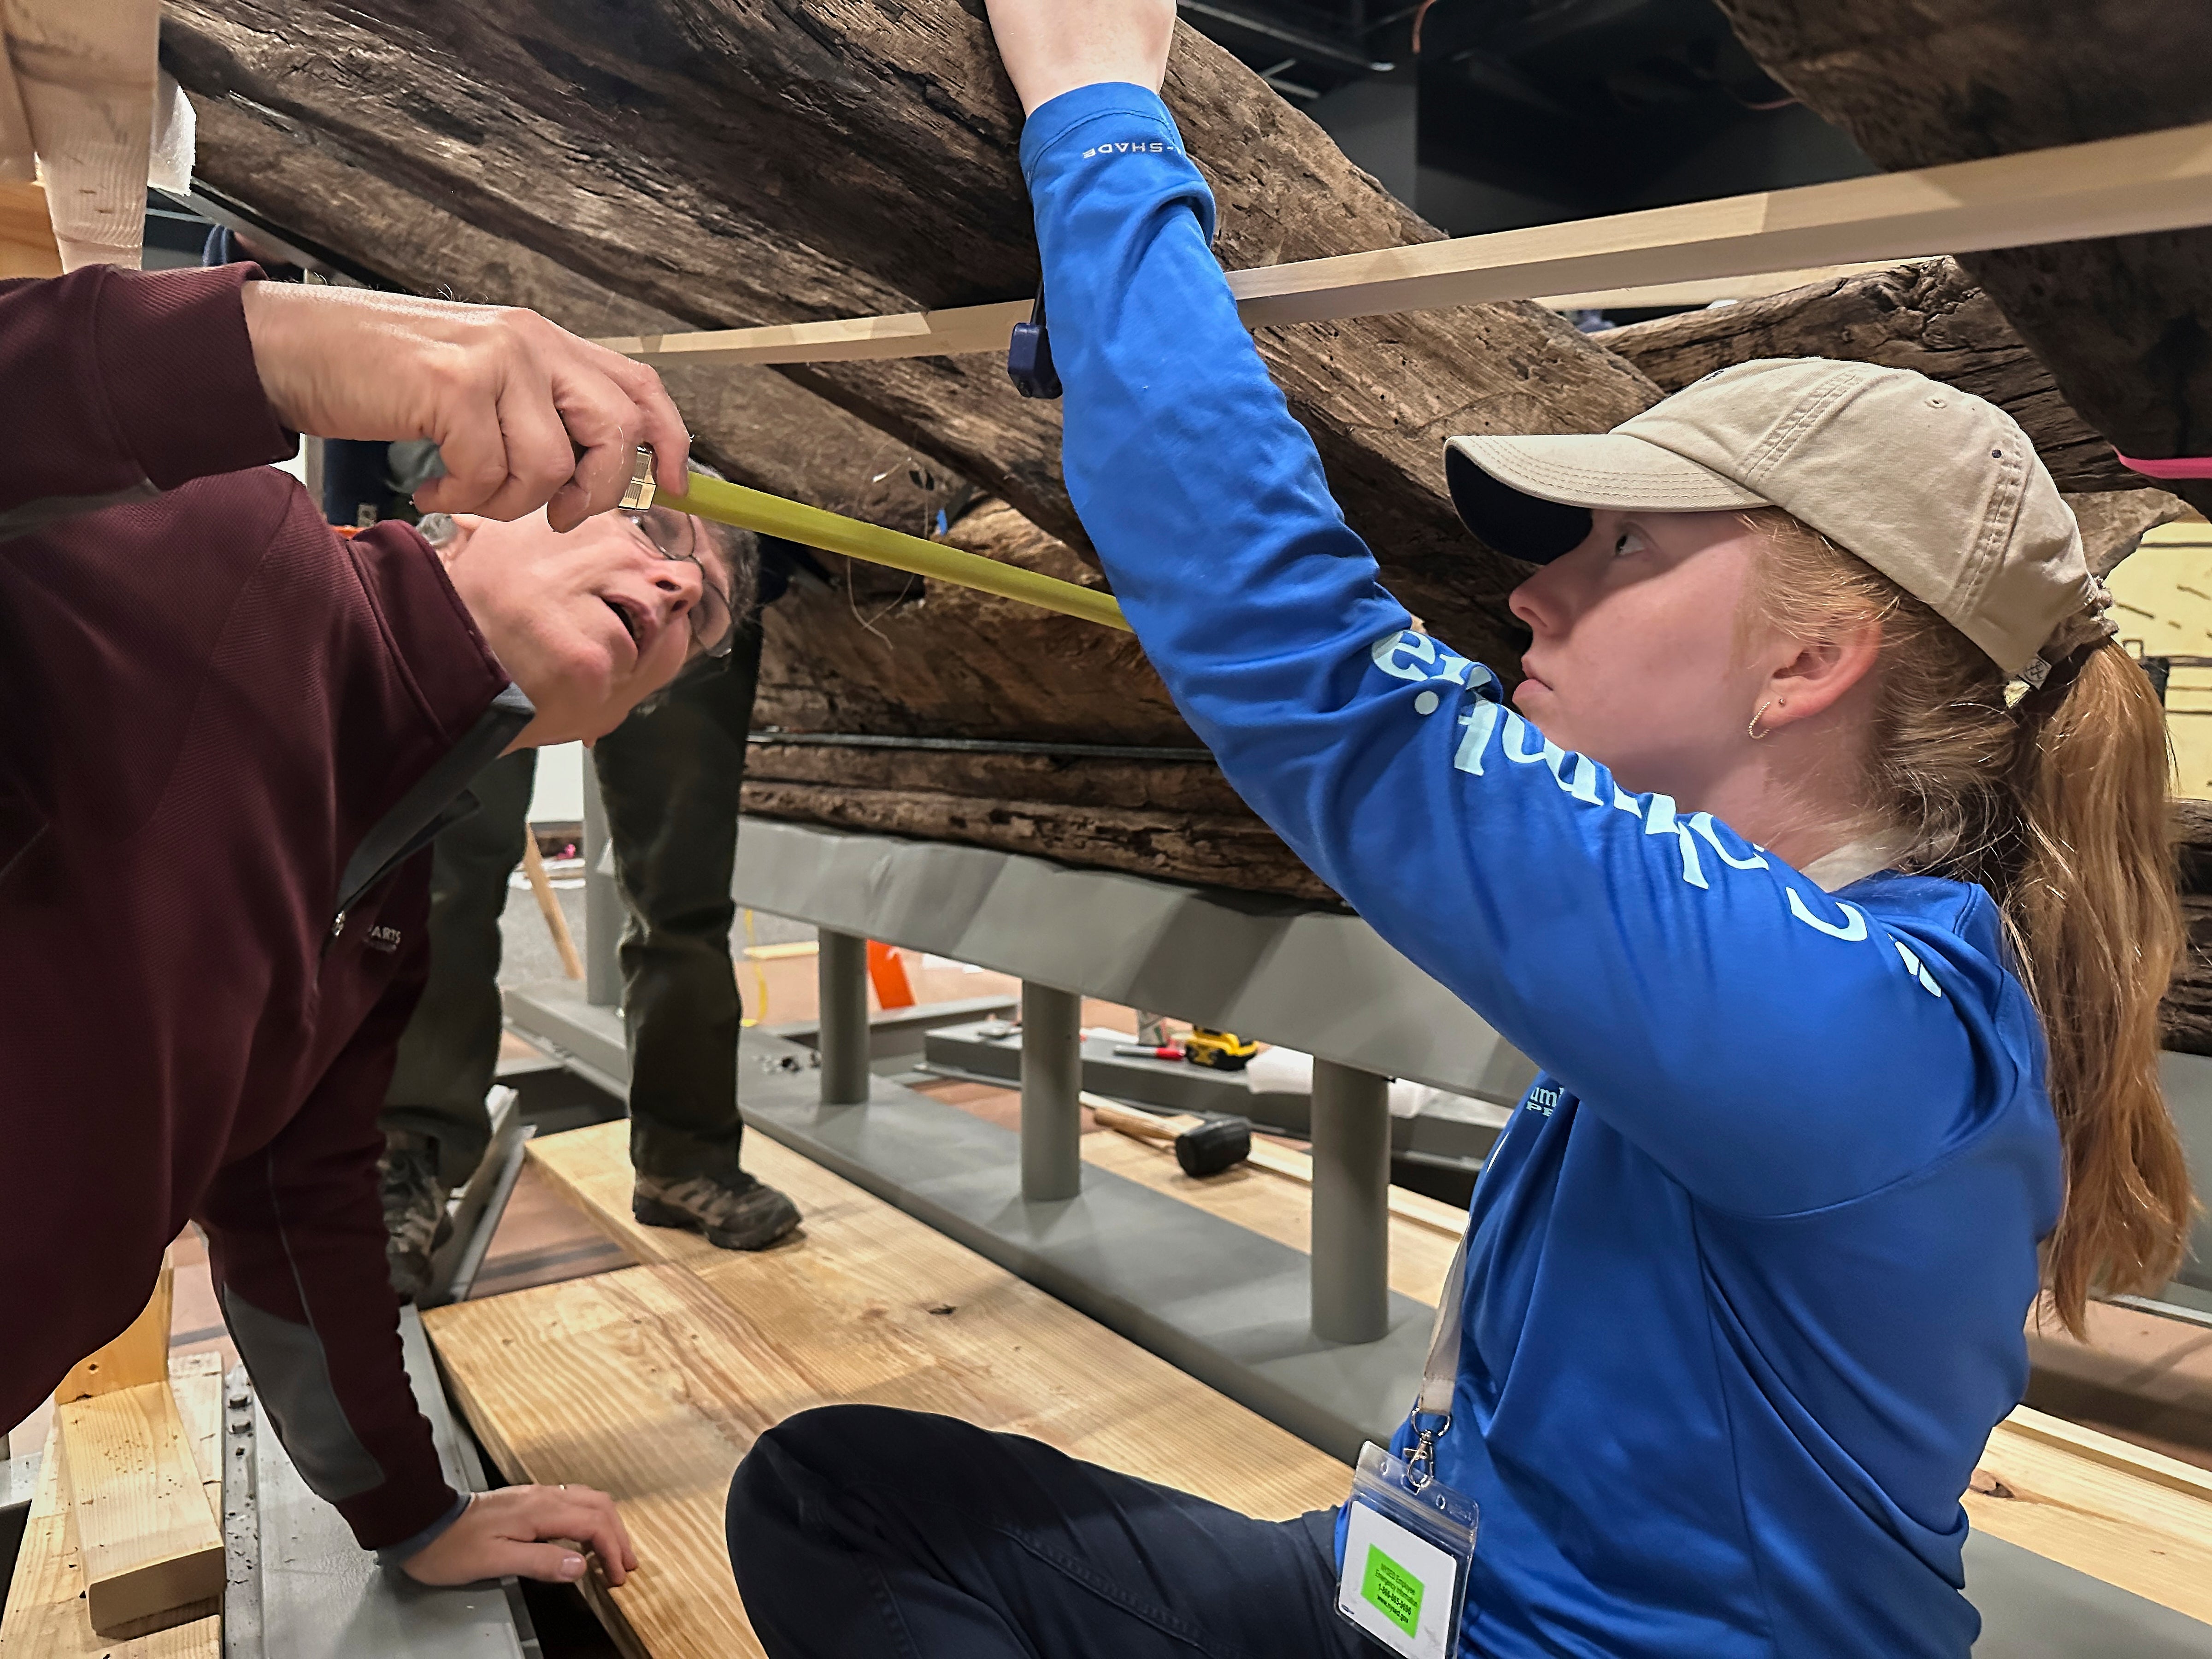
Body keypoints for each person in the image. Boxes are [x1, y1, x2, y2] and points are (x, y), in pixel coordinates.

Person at [721, 7, 2195, 1657]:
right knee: (832, 1494)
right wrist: (1128, 338)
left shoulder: (1853, 1022)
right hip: (1440, 1584)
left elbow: (1328, 687)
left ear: (1808, 659)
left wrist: (1100, 128)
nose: (1535, 585)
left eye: (1622, 544)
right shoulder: (1803, 948)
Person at [1, 257, 717, 1588]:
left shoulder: (380, 912)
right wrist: (267, 344)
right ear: (461, 510)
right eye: (654, 531)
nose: (676, 589)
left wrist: (411, 1511)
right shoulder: (217, 541)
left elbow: (293, 1212)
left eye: (702, 612)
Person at [379, 508, 805, 1301]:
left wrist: (742, 580)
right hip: (537, 505)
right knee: (446, 868)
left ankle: (688, 1156)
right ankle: (413, 1158)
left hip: (717, 548)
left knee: (685, 887)